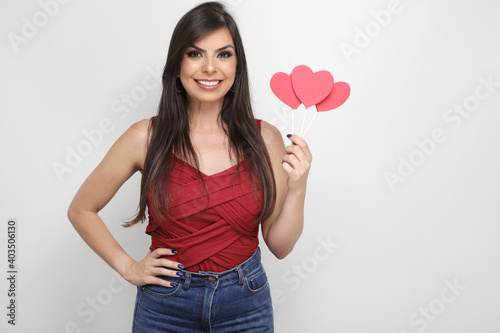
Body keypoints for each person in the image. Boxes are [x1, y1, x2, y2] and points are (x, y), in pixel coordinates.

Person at [67, 2, 312, 332]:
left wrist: (298, 186)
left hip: (246, 303)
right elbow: (82, 209)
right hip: (165, 306)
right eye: (196, 54)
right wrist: (128, 268)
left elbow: (280, 246)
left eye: (223, 54)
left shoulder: (265, 138)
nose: (210, 67)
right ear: (178, 65)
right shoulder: (145, 137)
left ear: (237, 65)